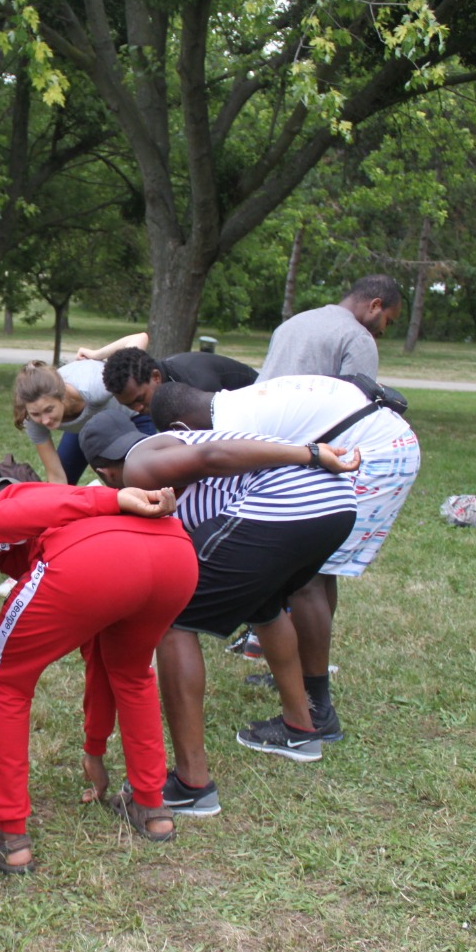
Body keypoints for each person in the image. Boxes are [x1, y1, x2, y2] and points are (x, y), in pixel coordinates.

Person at [149, 377, 421, 741]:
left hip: (372, 453)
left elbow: (217, 462)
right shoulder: (234, 401)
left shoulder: (232, 427)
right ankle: (306, 694)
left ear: (181, 429)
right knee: (282, 586)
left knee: (308, 583)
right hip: (372, 443)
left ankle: (316, 708)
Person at [117, 416, 361, 793]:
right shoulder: (180, 475)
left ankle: (190, 786)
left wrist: (311, 453)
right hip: (336, 503)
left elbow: (215, 455)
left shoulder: (140, 460)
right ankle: (300, 730)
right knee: (263, 604)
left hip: (289, 498)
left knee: (171, 619)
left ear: (105, 468)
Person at [0, 476, 198, 875]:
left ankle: (11, 836)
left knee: (4, 681)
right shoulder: (77, 512)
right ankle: (151, 806)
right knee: (132, 673)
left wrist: (112, 497)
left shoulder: (10, 502)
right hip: (174, 556)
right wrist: (94, 751)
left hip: (90, 561)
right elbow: (99, 664)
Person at [11, 359, 141, 485]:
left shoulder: (94, 388)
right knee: (65, 480)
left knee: (137, 477)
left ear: (62, 396)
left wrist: (98, 354)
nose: (45, 420)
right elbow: (57, 477)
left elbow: (136, 346)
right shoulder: (32, 419)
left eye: (49, 409)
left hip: (132, 418)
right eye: (36, 414)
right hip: (85, 427)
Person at [256, 275, 402, 383]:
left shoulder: (293, 323)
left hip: (256, 418)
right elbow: (354, 408)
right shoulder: (358, 338)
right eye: (387, 321)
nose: (383, 330)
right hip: (304, 424)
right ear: (375, 305)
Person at [93, 339, 258, 423]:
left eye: (140, 399)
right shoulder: (161, 386)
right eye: (130, 406)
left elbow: (220, 439)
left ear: (156, 377)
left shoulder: (197, 385)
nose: (138, 409)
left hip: (256, 404)